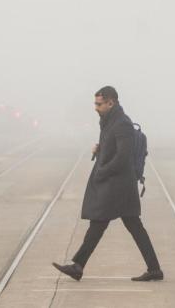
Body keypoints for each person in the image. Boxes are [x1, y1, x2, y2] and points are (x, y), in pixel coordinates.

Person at [53, 85, 162, 282]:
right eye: (95, 103)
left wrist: (103, 171)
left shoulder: (122, 124)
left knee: (100, 222)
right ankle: (154, 269)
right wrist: (100, 148)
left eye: (99, 103)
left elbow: (123, 156)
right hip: (117, 183)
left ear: (111, 102)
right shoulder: (110, 121)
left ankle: (78, 266)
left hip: (118, 184)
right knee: (129, 225)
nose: (96, 107)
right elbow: (114, 146)